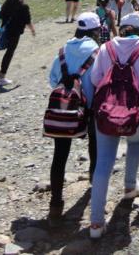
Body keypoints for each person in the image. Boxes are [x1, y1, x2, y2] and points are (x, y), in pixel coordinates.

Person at [88, 12, 139, 239]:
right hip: (135, 109)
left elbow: (95, 78)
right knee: (135, 143)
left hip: (106, 111)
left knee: (103, 162)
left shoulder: (106, 47)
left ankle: (96, 223)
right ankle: (130, 185)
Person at [46, 12, 102, 225]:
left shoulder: (62, 51)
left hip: (64, 108)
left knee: (59, 156)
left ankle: (55, 204)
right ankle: (94, 186)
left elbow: (53, 79)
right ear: (95, 31)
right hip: (91, 108)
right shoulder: (98, 51)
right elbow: (100, 79)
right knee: (95, 149)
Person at [0, 0, 36, 86]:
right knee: (9, 53)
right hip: (15, 33)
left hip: (6, 31)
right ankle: (2, 76)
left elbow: (1, 16)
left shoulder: (7, 3)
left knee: (8, 52)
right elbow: (27, 21)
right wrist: (32, 30)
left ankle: (1, 74)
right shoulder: (23, 6)